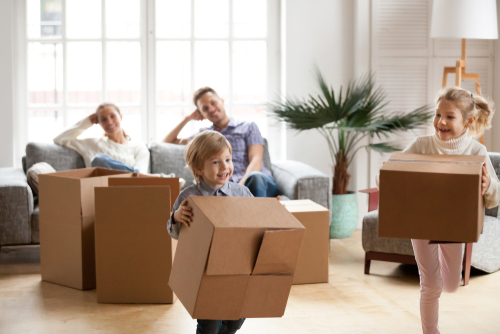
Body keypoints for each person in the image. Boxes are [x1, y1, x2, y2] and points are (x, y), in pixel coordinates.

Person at [378, 87, 500, 334]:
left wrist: (488, 186)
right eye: (437, 115)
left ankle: (443, 283)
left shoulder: (476, 151)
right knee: (431, 284)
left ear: (469, 120)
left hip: (454, 225)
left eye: (450, 117)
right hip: (421, 224)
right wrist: (389, 173)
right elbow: (391, 178)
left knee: (452, 283)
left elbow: (495, 195)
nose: (441, 122)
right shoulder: (422, 145)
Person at [167, 130, 251, 334]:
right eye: (215, 162)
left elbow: (256, 223)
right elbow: (175, 233)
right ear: (198, 168)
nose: (225, 167)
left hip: (237, 268)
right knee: (210, 323)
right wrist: (177, 217)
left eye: (228, 160)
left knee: (235, 320)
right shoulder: (189, 197)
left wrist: (271, 212)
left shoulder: (241, 193)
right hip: (204, 271)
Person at [162, 87, 278, 197]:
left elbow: (256, 160)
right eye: (205, 108)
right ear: (201, 114)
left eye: (213, 103)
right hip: (227, 186)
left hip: (256, 182)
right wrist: (188, 118)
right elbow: (167, 141)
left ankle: (256, 215)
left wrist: (240, 187)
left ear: (222, 101)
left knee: (255, 178)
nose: (211, 109)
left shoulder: (248, 127)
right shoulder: (204, 137)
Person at [53, 103, 149, 174]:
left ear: (120, 117)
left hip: (128, 189)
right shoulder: (93, 144)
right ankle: (132, 172)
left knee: (100, 160)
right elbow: (59, 139)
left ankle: (133, 173)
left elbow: (142, 176)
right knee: (99, 160)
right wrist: (87, 122)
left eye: (112, 116)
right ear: (99, 123)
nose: (110, 122)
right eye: (103, 119)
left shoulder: (138, 147)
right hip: (99, 191)